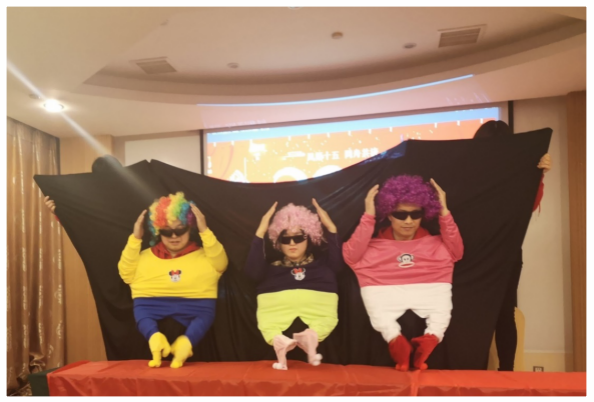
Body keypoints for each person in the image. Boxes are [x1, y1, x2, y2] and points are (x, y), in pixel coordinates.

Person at [342, 175, 463, 371]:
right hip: (383, 289)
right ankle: (397, 344)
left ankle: (430, 341)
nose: (409, 221)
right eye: (400, 215)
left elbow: (457, 252)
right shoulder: (372, 247)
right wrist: (368, 217)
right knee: (381, 317)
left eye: (416, 214)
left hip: (431, 287)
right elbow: (350, 256)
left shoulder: (437, 244)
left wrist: (444, 211)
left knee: (440, 316)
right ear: (389, 214)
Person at [473, 120, 552, 371]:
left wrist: (538, 173)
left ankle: (506, 372)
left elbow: (529, 205)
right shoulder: (468, 172)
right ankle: (472, 371)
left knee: (504, 312)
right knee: (474, 312)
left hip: (507, 252)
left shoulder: (516, 172)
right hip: (472, 252)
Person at [118, 192, 228, 368]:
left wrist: (205, 230)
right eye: (167, 231)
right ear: (158, 231)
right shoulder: (143, 257)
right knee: (144, 319)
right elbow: (125, 274)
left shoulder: (206, 257)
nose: (174, 236)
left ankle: (187, 342)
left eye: (180, 229)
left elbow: (221, 263)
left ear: (190, 228)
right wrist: (135, 238)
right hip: (149, 310)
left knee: (204, 319)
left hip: (198, 312)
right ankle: (154, 337)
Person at [244, 200, 343, 370]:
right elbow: (252, 273)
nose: (291, 244)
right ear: (278, 242)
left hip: (318, 297)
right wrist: (260, 232)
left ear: (309, 238)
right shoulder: (269, 268)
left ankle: (293, 339)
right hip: (277, 299)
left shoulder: (323, 265)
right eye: (285, 239)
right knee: (270, 324)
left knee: (325, 319)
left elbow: (339, 265)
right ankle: (290, 338)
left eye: (298, 238)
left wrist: (331, 229)